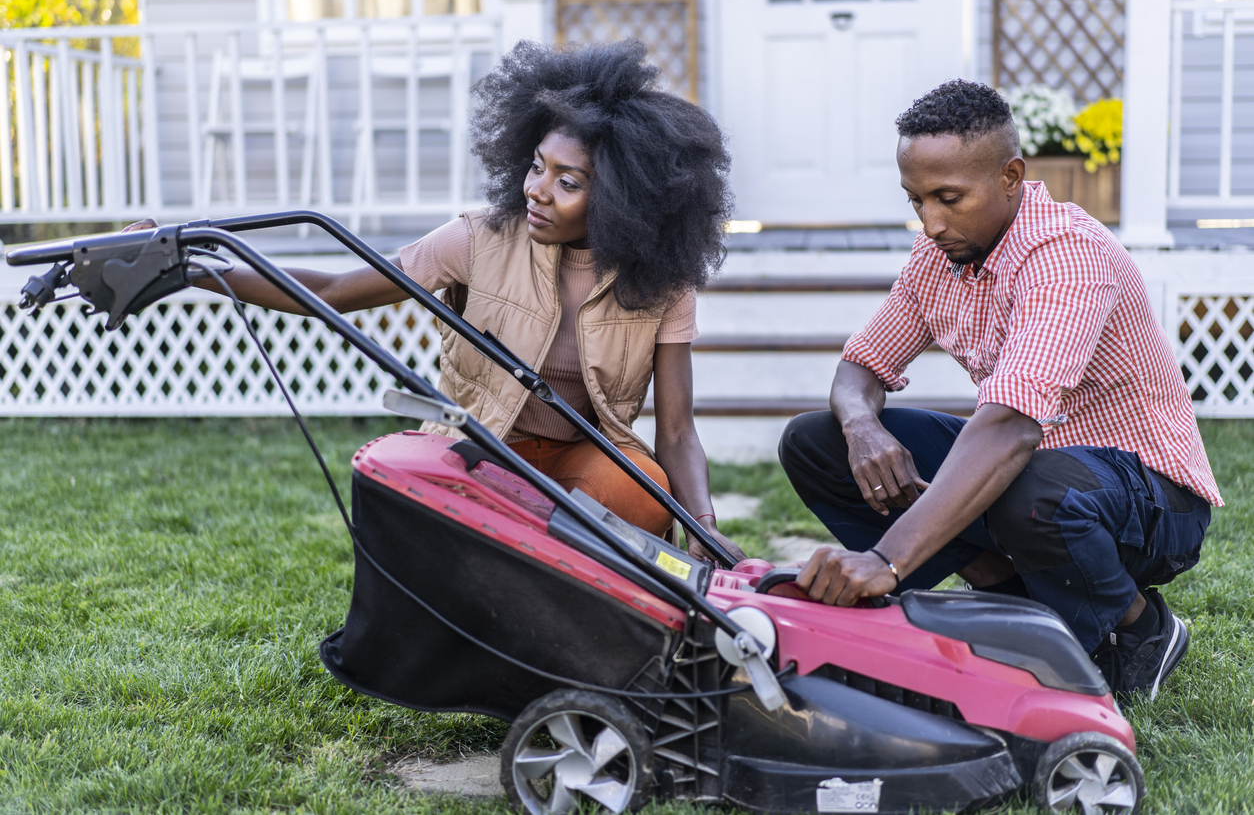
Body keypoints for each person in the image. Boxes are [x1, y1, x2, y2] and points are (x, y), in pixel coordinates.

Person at [131, 40, 745, 564]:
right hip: (484, 447)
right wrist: (194, 270)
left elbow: (676, 428)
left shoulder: (660, 279)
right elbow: (335, 290)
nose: (537, 190)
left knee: (639, 493)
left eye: (568, 182)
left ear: (620, 196)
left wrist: (705, 529)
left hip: (583, 462)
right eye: (536, 167)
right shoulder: (478, 238)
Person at [777, 80, 1220, 701]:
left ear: (1011, 175)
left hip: (1152, 497)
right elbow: (860, 369)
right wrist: (861, 427)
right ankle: (1010, 599)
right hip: (1038, 471)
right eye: (917, 200)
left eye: (949, 198)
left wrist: (887, 560)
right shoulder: (941, 253)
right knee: (814, 441)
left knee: (1029, 484)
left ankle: (1140, 627)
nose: (931, 223)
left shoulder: (1067, 255)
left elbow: (1012, 427)